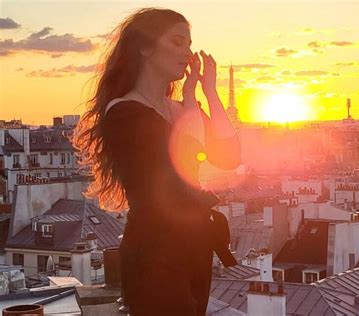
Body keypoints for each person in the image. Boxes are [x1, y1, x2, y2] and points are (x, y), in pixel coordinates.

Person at [73, 7, 240, 315]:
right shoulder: (124, 113)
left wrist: (210, 94)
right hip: (155, 250)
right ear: (145, 47)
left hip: (193, 247)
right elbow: (186, 161)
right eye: (177, 42)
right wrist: (191, 100)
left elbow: (229, 156)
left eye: (189, 44)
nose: (188, 53)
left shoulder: (178, 109)